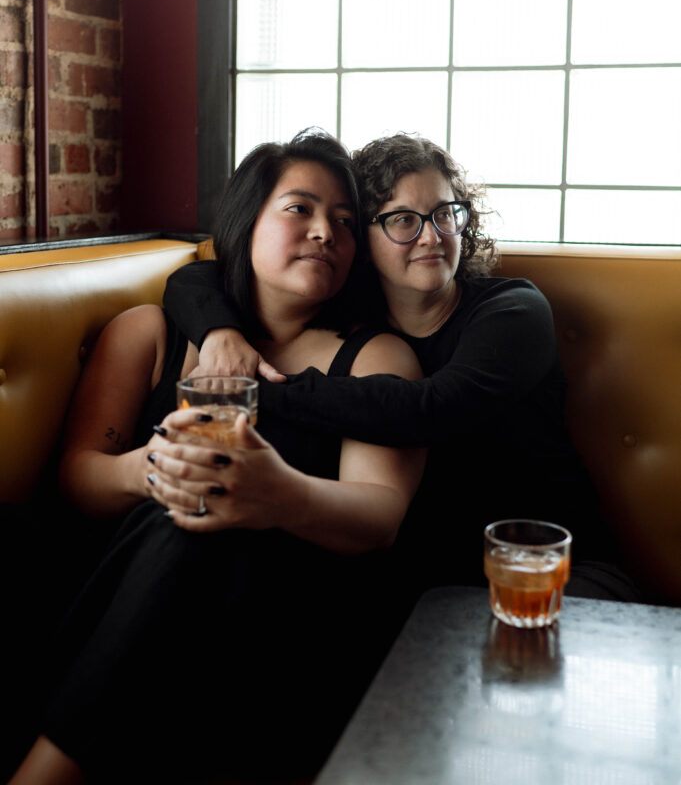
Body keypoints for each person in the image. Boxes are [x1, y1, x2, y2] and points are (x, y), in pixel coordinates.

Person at [9, 131, 425, 785]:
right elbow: (79, 480)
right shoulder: (149, 333)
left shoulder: (375, 358)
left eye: (344, 222)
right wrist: (154, 470)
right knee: (182, 516)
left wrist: (279, 496)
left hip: (283, 629)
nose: (325, 232)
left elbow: (380, 516)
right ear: (244, 222)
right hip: (116, 595)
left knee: (214, 529)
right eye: (299, 208)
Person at [164, 132, 639, 602]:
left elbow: (432, 410)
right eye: (403, 220)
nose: (432, 236)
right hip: (433, 585)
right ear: (362, 240)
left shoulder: (513, 310)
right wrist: (219, 333)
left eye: (445, 214)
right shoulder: (361, 328)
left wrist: (249, 389)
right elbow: (195, 278)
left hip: (555, 567)